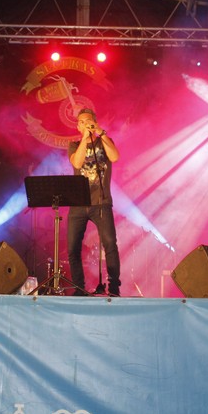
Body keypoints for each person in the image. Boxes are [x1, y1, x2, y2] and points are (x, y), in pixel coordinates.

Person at [67, 108, 121, 296]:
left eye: (88, 121)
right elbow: (77, 163)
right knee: (73, 248)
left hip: (101, 202)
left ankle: (114, 288)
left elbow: (114, 157)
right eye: (81, 122)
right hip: (78, 204)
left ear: (94, 122)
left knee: (110, 244)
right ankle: (79, 288)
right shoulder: (74, 145)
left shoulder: (105, 141)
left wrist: (100, 132)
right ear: (78, 126)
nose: (85, 124)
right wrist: (85, 138)